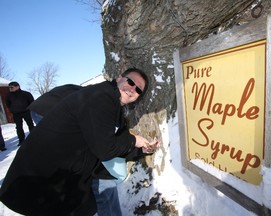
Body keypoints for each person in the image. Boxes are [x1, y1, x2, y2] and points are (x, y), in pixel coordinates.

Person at [0, 68, 158, 216]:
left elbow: (110, 142)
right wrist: (133, 140)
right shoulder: (101, 97)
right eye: (130, 82)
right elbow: (105, 148)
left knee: (102, 185)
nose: (132, 89)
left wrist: (139, 150)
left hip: (65, 176)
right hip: (40, 180)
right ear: (119, 79)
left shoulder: (111, 105)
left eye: (138, 89)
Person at [5, 81, 34, 146]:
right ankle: (21, 140)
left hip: (26, 112)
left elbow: (32, 102)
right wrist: (12, 110)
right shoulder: (8, 95)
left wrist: (29, 109)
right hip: (16, 114)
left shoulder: (26, 94)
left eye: (12, 87)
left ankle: (34, 138)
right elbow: (8, 104)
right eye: (9, 88)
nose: (10, 89)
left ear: (17, 86)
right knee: (19, 127)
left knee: (30, 125)